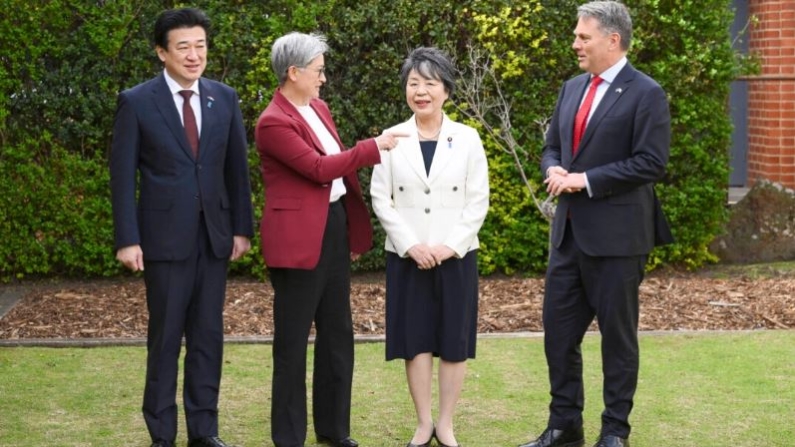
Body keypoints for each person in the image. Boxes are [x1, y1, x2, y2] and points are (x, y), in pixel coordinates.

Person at [517, 2, 673, 447]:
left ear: (613, 40)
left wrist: (585, 180)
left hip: (619, 241)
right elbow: (553, 147)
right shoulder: (571, 88)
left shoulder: (646, 93)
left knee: (617, 343)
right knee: (558, 337)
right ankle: (565, 427)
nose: (575, 44)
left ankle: (614, 433)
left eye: (583, 37)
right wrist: (553, 169)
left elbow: (651, 162)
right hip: (568, 238)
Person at [109, 7, 254, 447]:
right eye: (183, 47)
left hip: (213, 239)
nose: (194, 55)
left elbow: (236, 171)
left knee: (208, 338)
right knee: (166, 339)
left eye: (201, 46)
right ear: (162, 52)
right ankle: (162, 434)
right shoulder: (136, 102)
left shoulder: (223, 98)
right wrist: (127, 239)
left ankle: (204, 432)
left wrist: (242, 228)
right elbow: (122, 175)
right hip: (163, 242)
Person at [254, 32, 404, 447]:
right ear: (294, 72)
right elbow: (320, 168)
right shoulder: (272, 122)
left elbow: (332, 170)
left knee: (338, 334)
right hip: (297, 241)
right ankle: (288, 437)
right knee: (292, 343)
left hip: (332, 229)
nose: (323, 79)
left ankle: (334, 431)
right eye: (319, 71)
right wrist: (372, 147)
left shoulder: (318, 107)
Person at [370, 47, 490, 447]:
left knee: (454, 340)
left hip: (455, 255)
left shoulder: (468, 138)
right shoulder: (391, 138)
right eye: (413, 83)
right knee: (415, 339)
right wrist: (411, 245)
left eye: (430, 84)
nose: (421, 92)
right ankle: (423, 424)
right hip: (408, 256)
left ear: (446, 91)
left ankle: (447, 424)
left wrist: (449, 246)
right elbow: (380, 199)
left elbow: (478, 200)